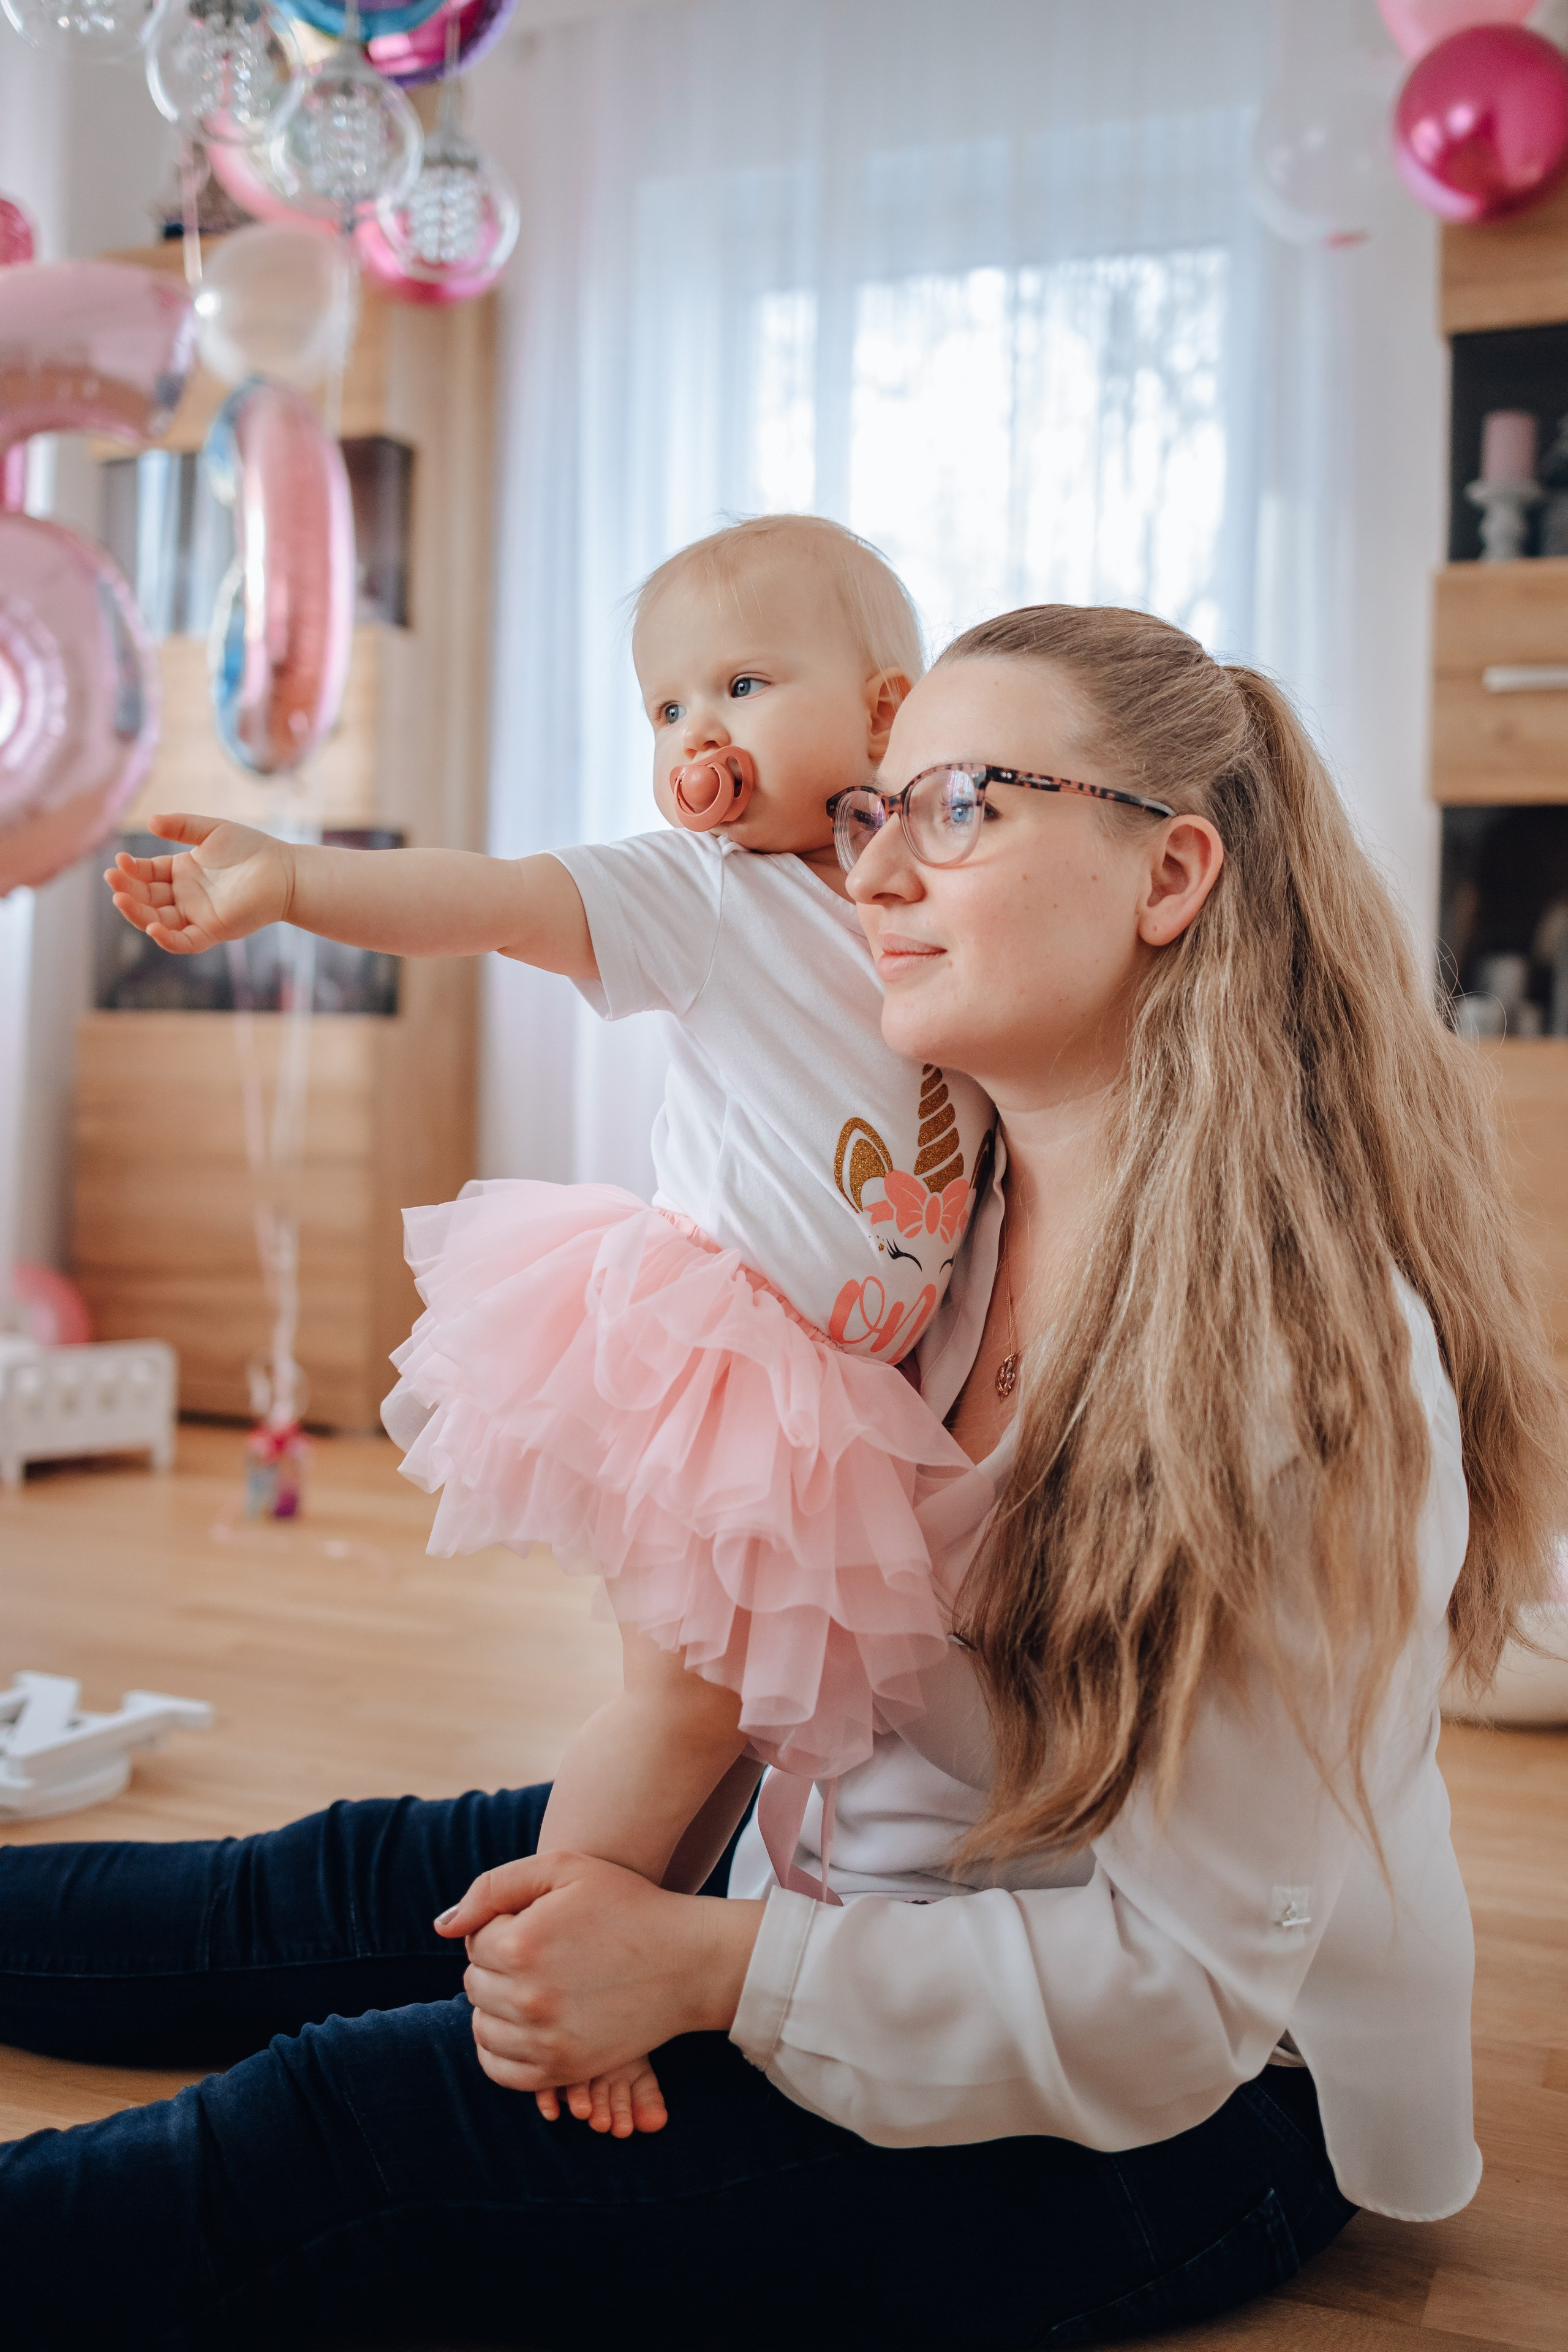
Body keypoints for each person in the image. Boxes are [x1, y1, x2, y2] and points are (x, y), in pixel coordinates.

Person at [5, 601, 1561, 2351]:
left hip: (1183, 2102)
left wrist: (694, 1967)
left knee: (336, 2134)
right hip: (865, 1868)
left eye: (963, 804)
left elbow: (1180, 1996)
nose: (879, 870)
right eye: (873, 810)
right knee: (326, 1889)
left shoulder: (1307, 1370)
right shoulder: (932, 1218)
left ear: (1170, 875)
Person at [102, 514, 998, 2133]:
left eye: (740, 683)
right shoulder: (705, 893)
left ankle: (633, 1937)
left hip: (829, 1394)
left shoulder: (925, 902)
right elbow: (500, 899)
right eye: (664, 709)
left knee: (738, 1736)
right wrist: (297, 878)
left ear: (884, 714)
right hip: (717, 1368)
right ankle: (552, 1977)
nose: (695, 735)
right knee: (679, 1710)